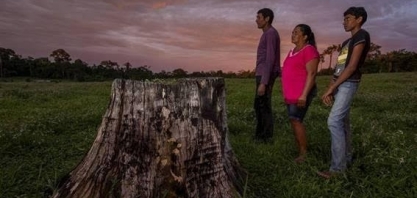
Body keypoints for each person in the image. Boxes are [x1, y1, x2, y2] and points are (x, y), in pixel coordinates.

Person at [318, 7, 370, 179]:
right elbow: (339, 68)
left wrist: (334, 88)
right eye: (344, 19)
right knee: (343, 122)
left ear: (359, 19)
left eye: (348, 18)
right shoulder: (346, 43)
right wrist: (330, 88)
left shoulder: (361, 35)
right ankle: (347, 158)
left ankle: (338, 170)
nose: (344, 22)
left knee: (333, 121)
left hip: (349, 83)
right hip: (341, 83)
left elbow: (352, 67)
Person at [281, 24, 319, 163]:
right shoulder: (292, 51)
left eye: (296, 32)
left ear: (305, 36)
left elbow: (312, 73)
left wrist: (304, 95)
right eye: (292, 32)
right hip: (291, 94)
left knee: (296, 120)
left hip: (301, 93)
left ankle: (303, 154)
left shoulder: (309, 50)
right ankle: (300, 149)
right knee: (293, 120)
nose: (293, 34)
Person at [254, 8, 281, 142]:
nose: (256, 20)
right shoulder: (266, 34)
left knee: (263, 105)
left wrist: (264, 82)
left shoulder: (270, 33)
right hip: (262, 73)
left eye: (259, 17)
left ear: (267, 19)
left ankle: (265, 137)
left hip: (266, 74)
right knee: (259, 105)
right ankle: (260, 135)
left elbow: (270, 59)